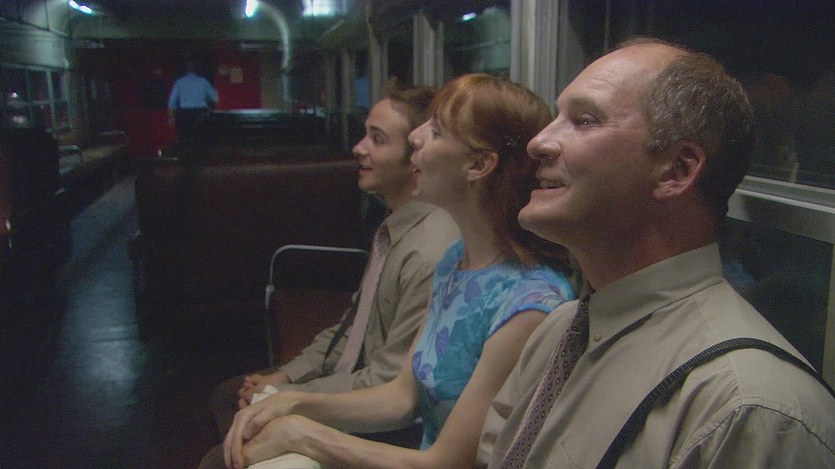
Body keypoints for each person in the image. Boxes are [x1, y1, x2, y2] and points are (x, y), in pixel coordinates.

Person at [479, 38, 835, 468]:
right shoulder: (559, 330)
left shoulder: (746, 408)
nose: (538, 142)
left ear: (676, 171)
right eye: (557, 118)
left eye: (584, 121)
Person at [221, 73, 576, 469]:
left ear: (478, 165)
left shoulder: (528, 306)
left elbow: (446, 462)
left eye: (436, 131)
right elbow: (401, 397)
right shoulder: (456, 261)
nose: (416, 138)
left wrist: (302, 433)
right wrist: (292, 402)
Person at [199, 82, 460, 467]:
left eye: (377, 140)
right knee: (227, 395)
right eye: (365, 134)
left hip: (388, 419)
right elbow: (353, 326)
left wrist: (282, 399)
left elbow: (391, 385)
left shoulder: (428, 252)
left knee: (220, 455)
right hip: (358, 378)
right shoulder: (394, 225)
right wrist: (288, 376)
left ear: (415, 160)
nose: (358, 148)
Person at [167, 60, 219, 141]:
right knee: (201, 139)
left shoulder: (179, 82)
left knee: (185, 139)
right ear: (196, 69)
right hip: (201, 113)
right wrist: (210, 108)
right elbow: (215, 98)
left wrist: (171, 117)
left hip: (185, 114)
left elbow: (172, 102)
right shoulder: (203, 81)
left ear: (185, 70)